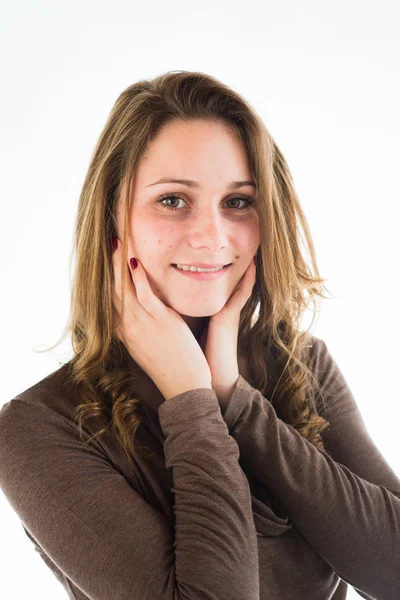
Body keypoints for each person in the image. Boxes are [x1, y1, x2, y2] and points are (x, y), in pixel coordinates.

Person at [0, 70, 399, 600]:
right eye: (172, 200)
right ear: (115, 217)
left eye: (238, 202)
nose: (210, 236)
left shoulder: (300, 364)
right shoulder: (39, 427)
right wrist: (191, 404)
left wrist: (236, 401)